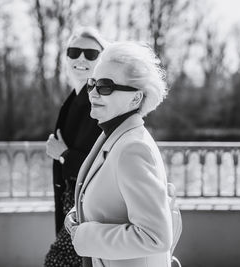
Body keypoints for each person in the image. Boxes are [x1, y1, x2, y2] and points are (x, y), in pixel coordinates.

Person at [64, 42, 174, 267]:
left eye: (105, 86)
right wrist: (77, 215)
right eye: (92, 84)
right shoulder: (114, 136)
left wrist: (83, 235)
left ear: (135, 99)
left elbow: (156, 236)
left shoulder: (132, 149)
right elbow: (112, 201)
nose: (93, 93)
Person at [45, 27, 108, 267]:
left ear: (103, 59)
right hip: (72, 199)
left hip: (85, 204)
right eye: (74, 51)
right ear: (67, 57)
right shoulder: (75, 97)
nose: (81, 58)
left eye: (91, 54)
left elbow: (104, 163)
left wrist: (63, 154)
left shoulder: (99, 101)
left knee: (57, 261)